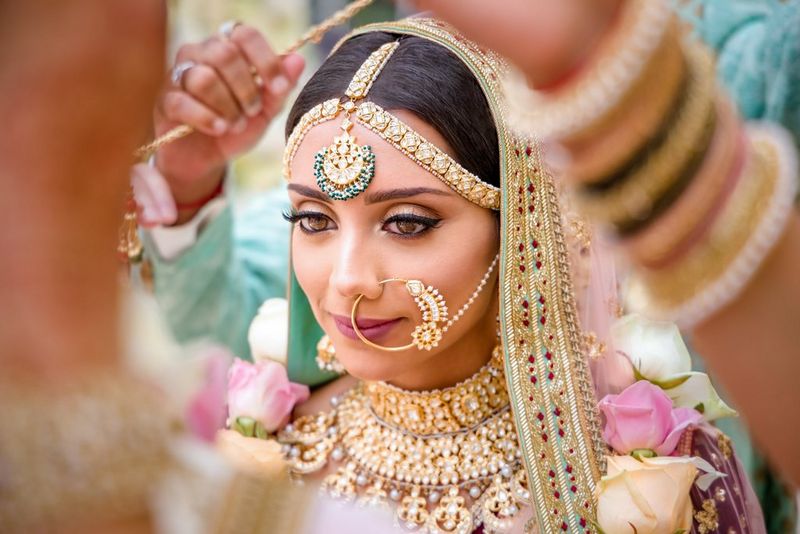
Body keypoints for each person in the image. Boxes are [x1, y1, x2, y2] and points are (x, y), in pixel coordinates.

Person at [141, 7, 773, 530]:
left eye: (408, 222)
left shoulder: (652, 477)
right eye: (313, 220)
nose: (347, 279)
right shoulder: (265, 457)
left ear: (524, 227)